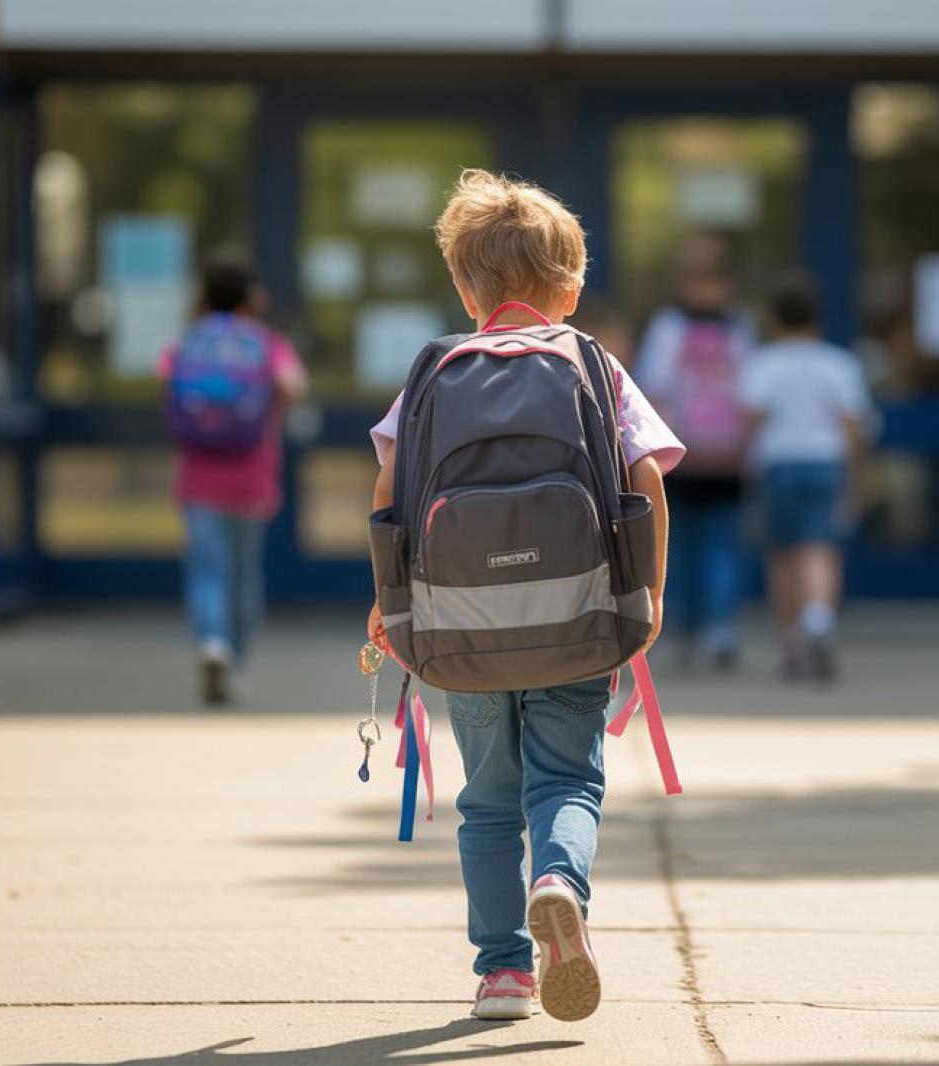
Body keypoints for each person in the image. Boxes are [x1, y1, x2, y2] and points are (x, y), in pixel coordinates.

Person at [365, 170, 681, 1023]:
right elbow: (647, 475)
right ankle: (559, 882)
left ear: (467, 293)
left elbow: (391, 483)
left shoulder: (434, 372)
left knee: (487, 801)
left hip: (461, 627)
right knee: (568, 782)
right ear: (572, 288)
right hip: (577, 614)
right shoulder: (594, 365)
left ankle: (503, 973)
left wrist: (388, 602)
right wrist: (645, 594)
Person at [159, 254, 306, 706]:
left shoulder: (187, 342)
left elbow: (163, 380)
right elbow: (292, 386)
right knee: (242, 575)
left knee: (207, 569)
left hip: (199, 478)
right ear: (251, 298)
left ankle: (211, 644)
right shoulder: (266, 344)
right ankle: (236, 664)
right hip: (251, 478)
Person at [740, 273, 875, 682]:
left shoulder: (764, 364)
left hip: (779, 463)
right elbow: (853, 425)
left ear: (775, 318)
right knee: (821, 549)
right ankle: (818, 621)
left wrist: (743, 465)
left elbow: (752, 419)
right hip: (826, 462)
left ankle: (792, 641)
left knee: (783, 554)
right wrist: (857, 476)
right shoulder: (839, 364)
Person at [632, 233, 756, 668]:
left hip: (681, 453)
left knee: (678, 544)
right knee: (721, 541)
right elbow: (750, 390)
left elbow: (654, 387)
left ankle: (682, 628)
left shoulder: (669, 326)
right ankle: (718, 629)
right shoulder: (738, 327)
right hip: (728, 454)